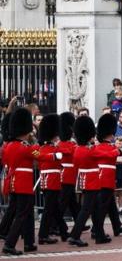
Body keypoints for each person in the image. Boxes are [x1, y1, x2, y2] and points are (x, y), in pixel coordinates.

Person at [1, 108, 62, 255]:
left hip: (14, 182)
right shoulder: (25, 147)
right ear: (25, 129)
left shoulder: (8, 146)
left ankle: (29, 243)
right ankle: (9, 244)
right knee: (21, 215)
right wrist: (55, 156)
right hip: (24, 184)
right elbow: (40, 155)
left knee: (26, 213)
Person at [68, 116, 122, 247]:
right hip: (92, 182)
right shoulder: (89, 151)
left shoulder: (78, 149)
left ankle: (100, 235)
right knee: (86, 210)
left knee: (94, 210)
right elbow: (108, 155)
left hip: (84, 181)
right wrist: (119, 150)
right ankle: (75, 235)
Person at [94, 114, 122, 239]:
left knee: (111, 204)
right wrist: (118, 151)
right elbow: (110, 155)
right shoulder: (101, 147)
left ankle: (117, 226)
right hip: (104, 179)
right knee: (102, 208)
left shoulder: (109, 146)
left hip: (108, 179)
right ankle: (97, 232)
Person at [37, 114, 68, 245]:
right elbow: (38, 156)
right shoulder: (41, 149)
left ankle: (63, 231)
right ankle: (42, 235)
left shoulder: (52, 148)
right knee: (49, 209)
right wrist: (53, 156)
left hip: (53, 180)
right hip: (49, 181)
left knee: (54, 207)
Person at [57, 112, 80, 224]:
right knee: (62, 202)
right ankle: (54, 224)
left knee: (71, 200)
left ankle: (78, 220)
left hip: (70, 174)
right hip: (66, 175)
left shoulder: (67, 143)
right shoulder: (64, 144)